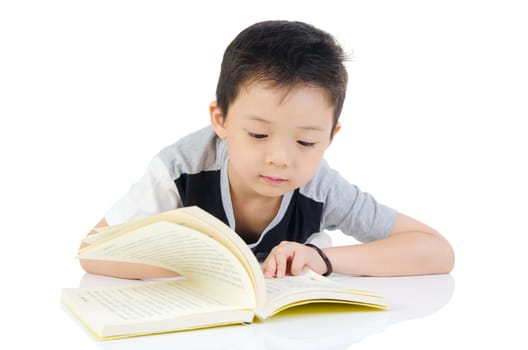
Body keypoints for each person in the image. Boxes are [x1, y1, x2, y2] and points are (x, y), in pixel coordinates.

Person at [79, 20, 454, 280]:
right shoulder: (181, 169)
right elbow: (93, 251)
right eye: (258, 134)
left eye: (306, 142)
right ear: (221, 119)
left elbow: (436, 251)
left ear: (330, 137)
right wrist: (204, 263)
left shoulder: (319, 186)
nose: (280, 158)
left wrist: (321, 259)